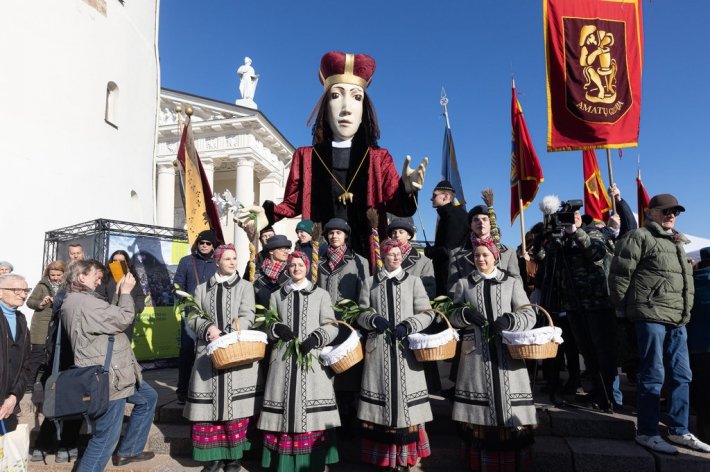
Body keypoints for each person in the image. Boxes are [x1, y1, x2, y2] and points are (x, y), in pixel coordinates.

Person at [239, 51, 427, 266]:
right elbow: (292, 203)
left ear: (363, 109)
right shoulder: (306, 156)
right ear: (325, 107)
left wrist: (407, 190)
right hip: (321, 253)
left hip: (366, 253)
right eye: (336, 95)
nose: (346, 108)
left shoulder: (378, 158)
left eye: (356, 97)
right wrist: (267, 214)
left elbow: (399, 206)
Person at [610, 194, 710, 454]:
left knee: (682, 375)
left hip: (678, 319)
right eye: (665, 211)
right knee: (653, 375)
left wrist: (685, 312)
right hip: (650, 315)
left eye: (675, 211)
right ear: (650, 212)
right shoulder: (639, 237)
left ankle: (679, 430)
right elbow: (620, 274)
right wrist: (621, 309)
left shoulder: (678, 241)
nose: (671, 215)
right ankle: (647, 431)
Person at [449, 237, 537, 471]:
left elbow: (529, 314)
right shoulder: (463, 284)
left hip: (507, 356)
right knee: (479, 415)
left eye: (485, 255)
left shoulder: (511, 282)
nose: (480, 259)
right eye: (477, 255)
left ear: (495, 256)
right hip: (475, 356)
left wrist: (511, 319)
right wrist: (466, 315)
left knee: (508, 408)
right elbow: (452, 317)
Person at [61, 260, 157, 471]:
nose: (100, 279)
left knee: (148, 398)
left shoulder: (79, 300)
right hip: (108, 378)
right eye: (96, 274)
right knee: (104, 438)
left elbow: (107, 315)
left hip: (118, 372)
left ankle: (129, 450)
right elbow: (123, 318)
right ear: (81, 277)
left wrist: (119, 294)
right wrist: (125, 293)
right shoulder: (84, 303)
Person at [258, 251, 341, 471]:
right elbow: (267, 324)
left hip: (311, 361)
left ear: (307, 267)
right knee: (284, 409)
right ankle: (283, 463)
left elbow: (332, 325)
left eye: (300, 265)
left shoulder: (321, 294)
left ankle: (312, 463)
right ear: (287, 268)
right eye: (292, 265)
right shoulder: (277, 295)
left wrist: (316, 337)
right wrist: (276, 328)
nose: (296, 268)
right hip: (283, 363)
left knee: (309, 412)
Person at [184, 244, 263, 472]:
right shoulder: (201, 289)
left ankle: (233, 459)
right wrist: (208, 328)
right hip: (208, 358)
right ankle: (214, 458)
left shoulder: (245, 287)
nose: (232, 262)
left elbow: (249, 314)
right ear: (217, 261)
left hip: (236, 355)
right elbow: (192, 316)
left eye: (234, 258)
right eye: (227, 258)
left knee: (235, 412)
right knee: (209, 412)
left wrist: (232, 331)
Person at [357, 239, 435, 471]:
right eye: (390, 254)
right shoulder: (370, 282)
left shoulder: (414, 282)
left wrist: (409, 325)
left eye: (398, 254)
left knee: (406, 405)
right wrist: (373, 319)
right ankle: (382, 458)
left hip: (405, 352)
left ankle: (406, 458)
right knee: (380, 404)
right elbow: (360, 312)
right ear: (382, 256)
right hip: (378, 350)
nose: (395, 258)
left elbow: (427, 313)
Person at [174, 230, 219, 405]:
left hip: (214, 313)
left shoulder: (218, 262)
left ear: (213, 245)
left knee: (212, 350)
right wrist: (186, 301)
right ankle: (183, 390)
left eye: (208, 243)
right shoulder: (187, 261)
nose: (205, 246)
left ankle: (209, 390)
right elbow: (177, 285)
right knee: (186, 350)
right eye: (202, 243)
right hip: (191, 313)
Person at [448, 204, 520, 292]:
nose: (481, 222)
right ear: (471, 225)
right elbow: (453, 287)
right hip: (471, 304)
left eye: (485, 219)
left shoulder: (508, 253)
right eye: (476, 220)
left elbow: (516, 282)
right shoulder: (456, 255)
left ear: (492, 224)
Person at [26, 260, 65, 391]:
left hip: (57, 324)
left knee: (53, 354)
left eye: (58, 275)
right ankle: (29, 384)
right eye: (52, 274)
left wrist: (59, 302)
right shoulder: (42, 285)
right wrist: (41, 303)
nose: (55, 278)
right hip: (41, 324)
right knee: (37, 354)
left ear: (63, 274)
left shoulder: (66, 286)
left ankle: (46, 383)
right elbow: (30, 302)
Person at [424, 180, 468, 296]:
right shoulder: (446, 215)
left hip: (452, 277)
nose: (431, 199)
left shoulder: (455, 216)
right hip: (446, 274)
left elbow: (449, 250)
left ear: (446, 196)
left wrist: (429, 251)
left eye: (434, 195)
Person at [0, 273, 31, 437]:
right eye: (16, 290)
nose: (23, 295)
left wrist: (13, 397)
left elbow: (25, 365)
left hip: (8, 402)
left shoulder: (21, 319)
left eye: (26, 290)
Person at [97, 250, 145, 341]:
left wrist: (135, 309)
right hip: (109, 321)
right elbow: (99, 297)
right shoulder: (105, 278)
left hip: (127, 323)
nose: (117, 263)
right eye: (115, 260)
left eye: (121, 261)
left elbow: (140, 296)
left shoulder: (132, 278)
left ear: (127, 263)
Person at [388, 218, 435, 299]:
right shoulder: (384, 259)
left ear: (409, 236)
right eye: (394, 232)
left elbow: (429, 290)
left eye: (401, 232)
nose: (397, 235)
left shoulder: (424, 262)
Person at [253, 235, 292, 307]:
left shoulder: (291, 272)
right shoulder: (258, 275)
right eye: (282, 249)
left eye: (287, 249)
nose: (286, 252)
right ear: (271, 251)